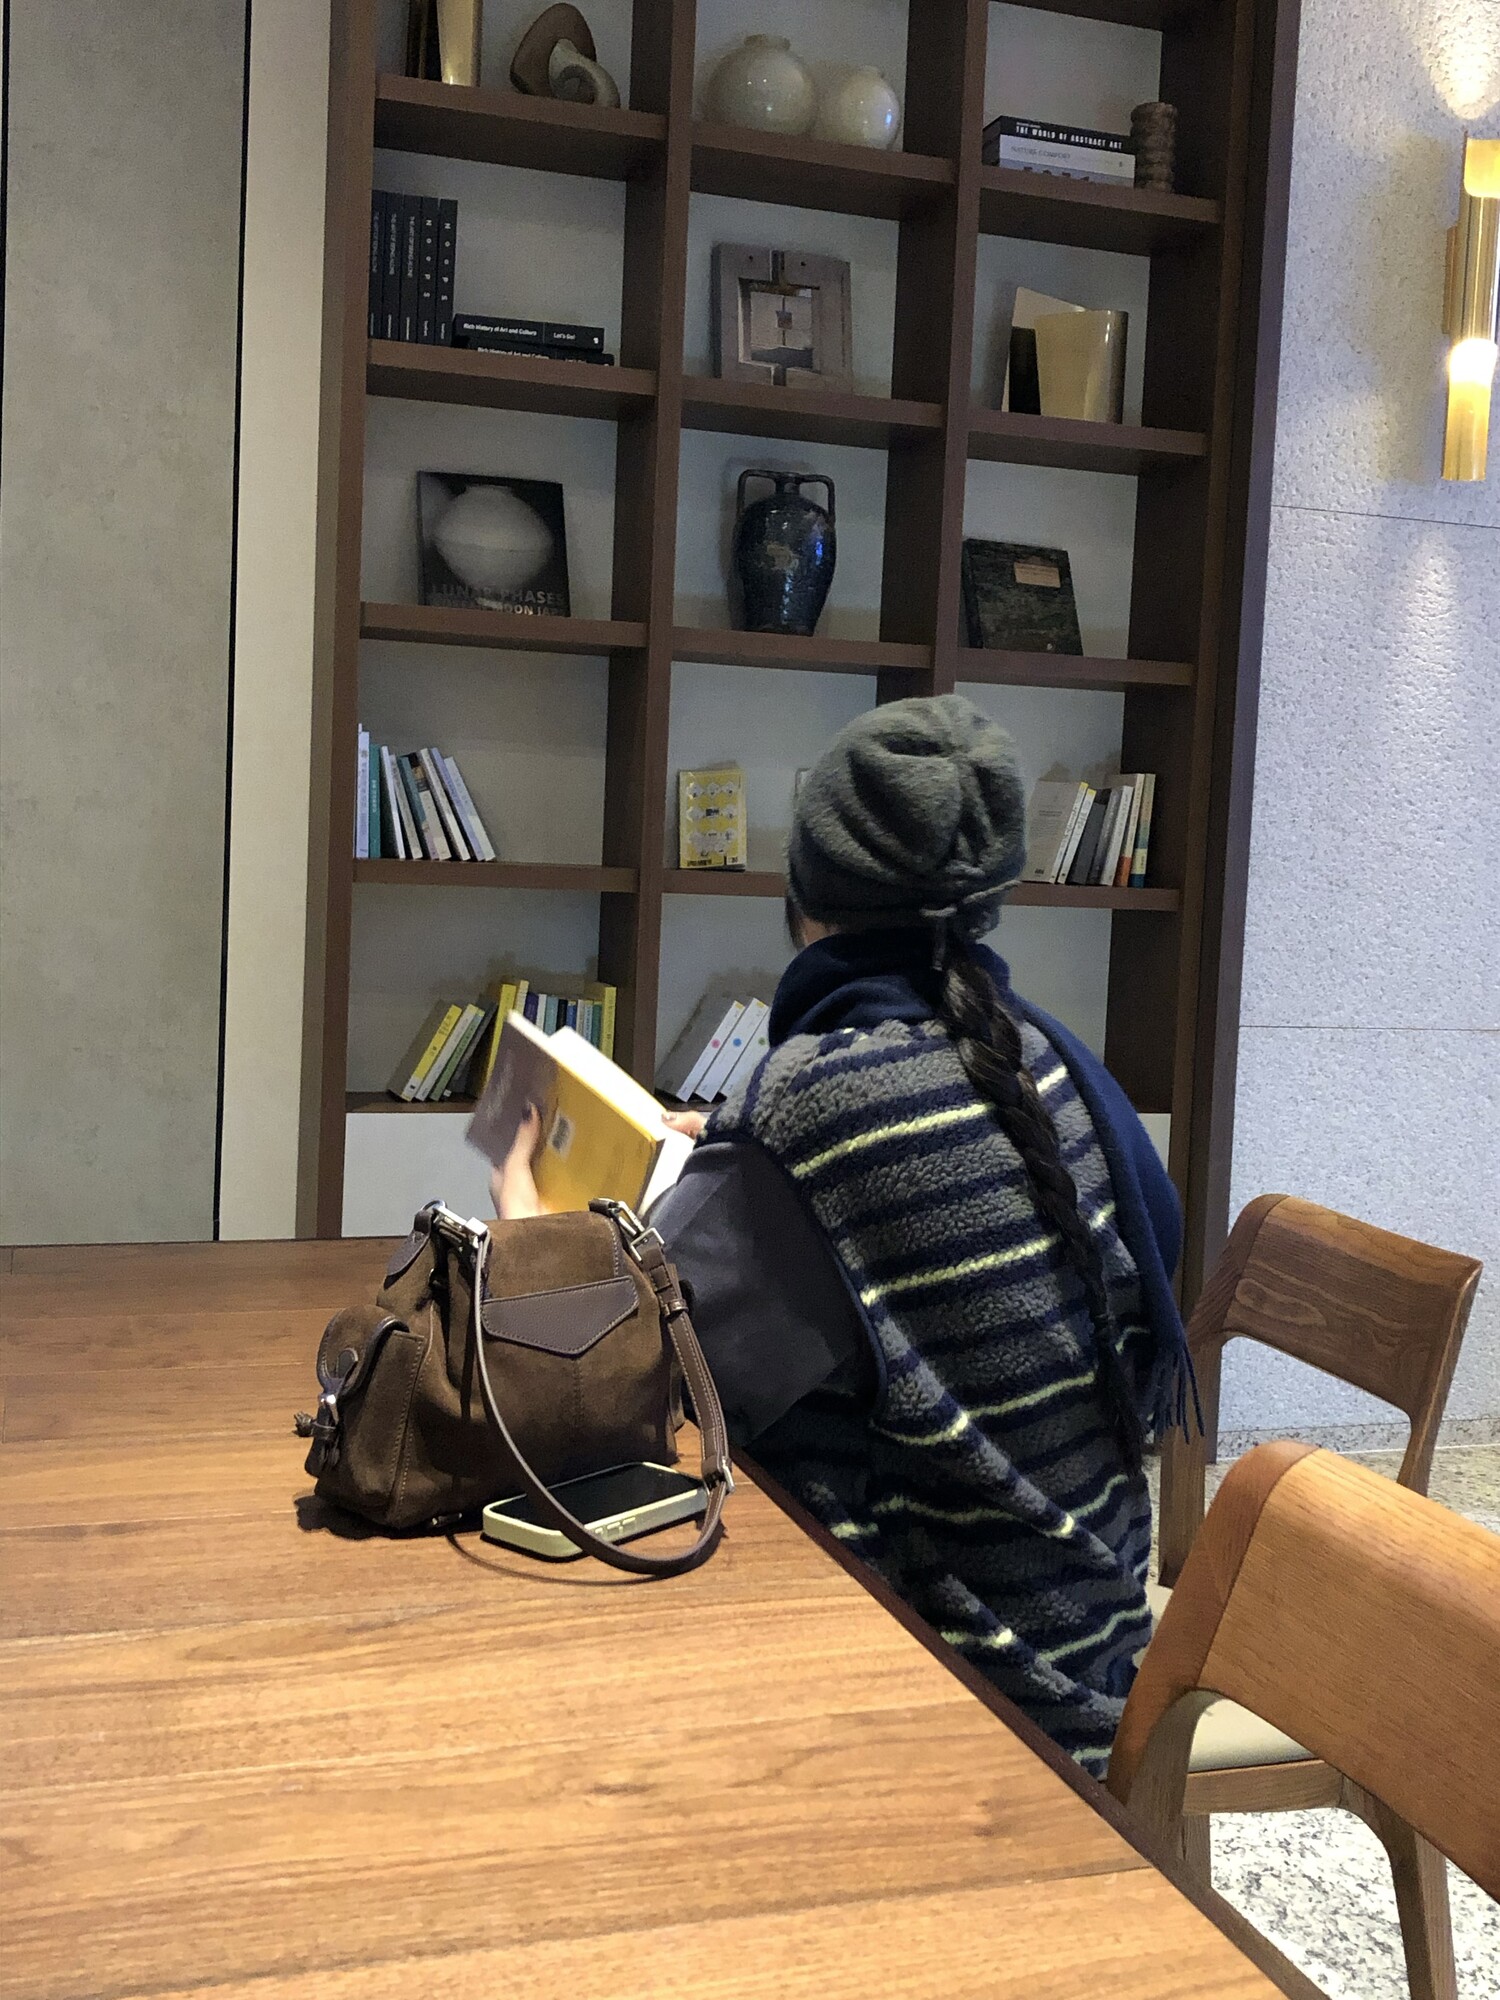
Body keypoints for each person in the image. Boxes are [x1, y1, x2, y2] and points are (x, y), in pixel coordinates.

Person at [497, 695, 1192, 1776]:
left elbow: (634, 1375)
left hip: (942, 1701)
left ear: (804, 893)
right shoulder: (1057, 1064)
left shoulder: (811, 1102)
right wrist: (742, 1159)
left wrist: (533, 1220)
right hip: (1095, 1651)